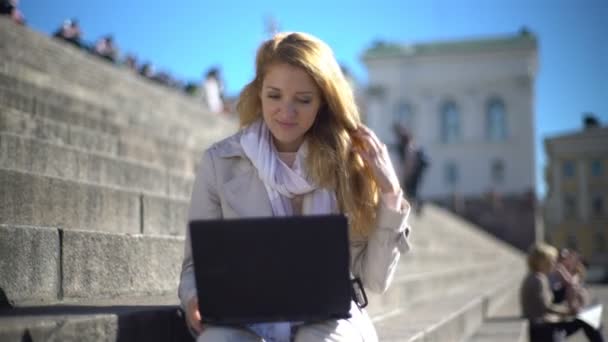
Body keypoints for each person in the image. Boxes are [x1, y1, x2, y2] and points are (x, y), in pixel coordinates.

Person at [179, 32, 411, 342]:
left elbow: (376, 280)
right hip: (246, 316)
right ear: (258, 93)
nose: (286, 112)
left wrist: (391, 194)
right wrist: (195, 297)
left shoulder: (348, 164)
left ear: (323, 103)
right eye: (274, 95)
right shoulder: (219, 161)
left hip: (329, 319)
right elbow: (195, 265)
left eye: (303, 100)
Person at [520, 243, 604, 341]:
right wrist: (569, 312)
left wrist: (569, 313)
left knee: (588, 317)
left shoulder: (534, 277)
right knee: (589, 318)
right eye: (552, 261)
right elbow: (546, 308)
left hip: (540, 328)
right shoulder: (538, 279)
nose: (554, 265)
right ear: (542, 262)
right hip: (543, 331)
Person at [393, 124, 428, 215]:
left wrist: (407, 174)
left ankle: (418, 207)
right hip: (414, 173)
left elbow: (409, 162)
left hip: (413, 173)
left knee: (412, 192)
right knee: (412, 192)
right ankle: (417, 208)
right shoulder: (407, 146)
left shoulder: (408, 147)